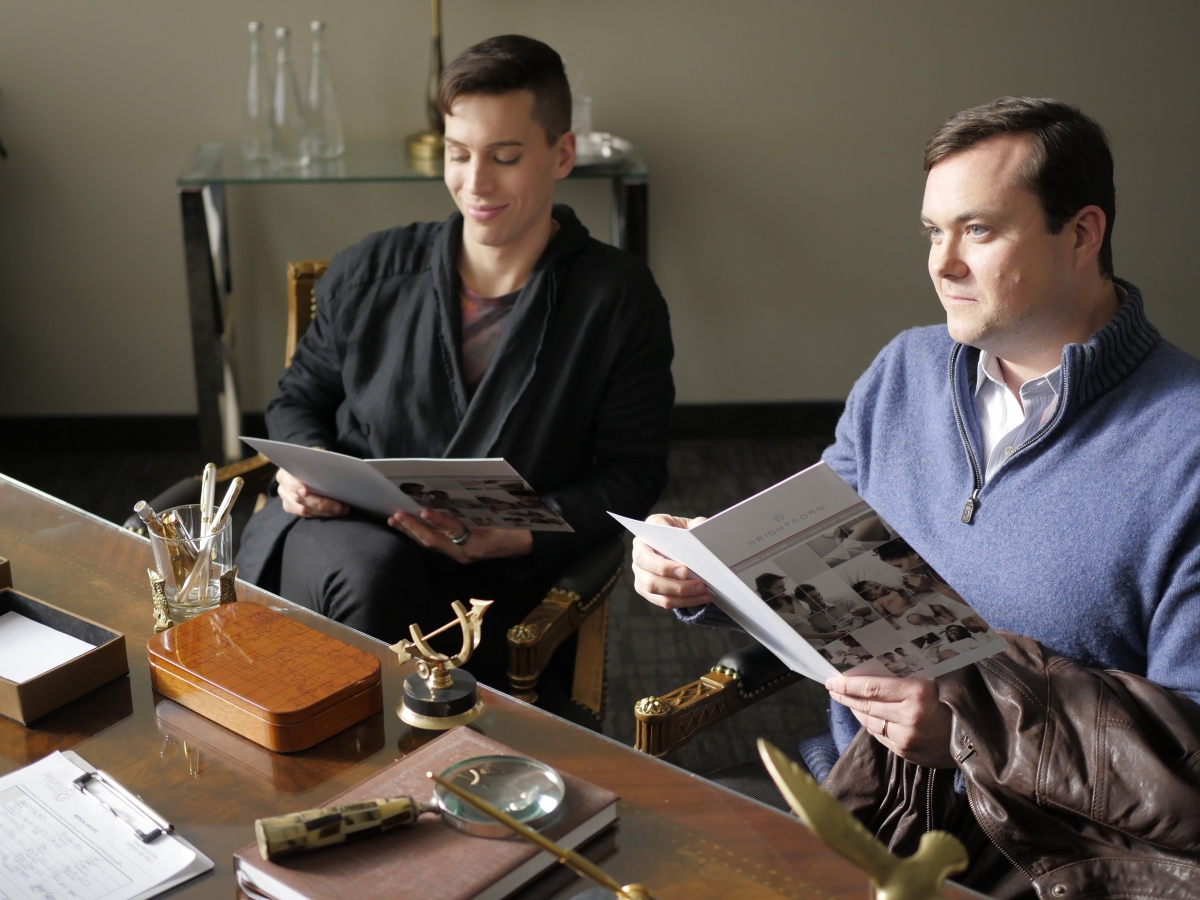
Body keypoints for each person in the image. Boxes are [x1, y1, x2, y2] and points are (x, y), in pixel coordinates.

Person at [630, 97, 1200, 893]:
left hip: (1051, 857)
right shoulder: (906, 370)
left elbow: (1189, 753)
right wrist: (710, 570)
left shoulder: (1185, 444)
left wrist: (973, 730)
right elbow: (819, 558)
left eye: (979, 230)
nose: (943, 264)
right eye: (934, 232)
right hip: (864, 797)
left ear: (1082, 233)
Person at [236, 35, 675, 691]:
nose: (475, 183)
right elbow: (298, 398)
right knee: (373, 575)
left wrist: (517, 536)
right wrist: (305, 467)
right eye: (458, 154)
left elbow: (631, 474)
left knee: (397, 606)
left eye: (504, 156)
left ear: (562, 153)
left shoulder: (615, 299)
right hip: (343, 538)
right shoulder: (372, 269)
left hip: (497, 574)